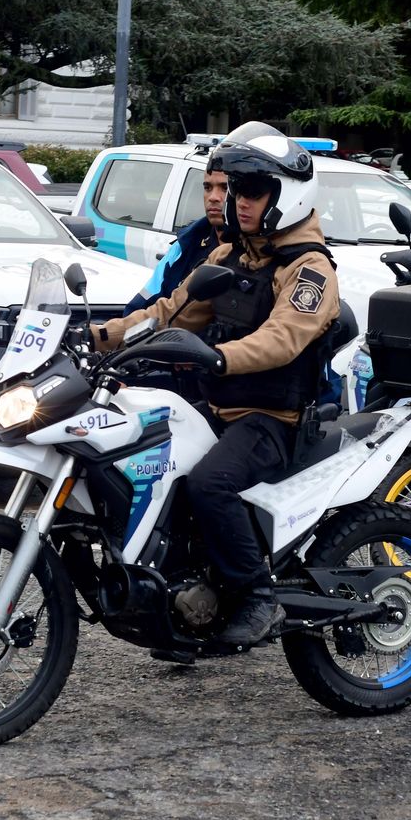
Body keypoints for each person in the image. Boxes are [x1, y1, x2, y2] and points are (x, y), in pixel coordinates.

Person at [93, 121, 340, 648]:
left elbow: (282, 340)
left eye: (252, 191)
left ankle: (257, 598)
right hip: (219, 408)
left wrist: (218, 357)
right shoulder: (230, 255)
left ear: (287, 196)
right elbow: (169, 312)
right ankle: (176, 595)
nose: (238, 201)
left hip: (274, 419)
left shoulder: (310, 269)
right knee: (145, 460)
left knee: (210, 484)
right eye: (234, 189)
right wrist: (99, 336)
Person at [124, 165, 228, 313]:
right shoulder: (185, 244)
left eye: (225, 188)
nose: (213, 197)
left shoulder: (258, 255)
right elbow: (140, 306)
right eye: (207, 187)